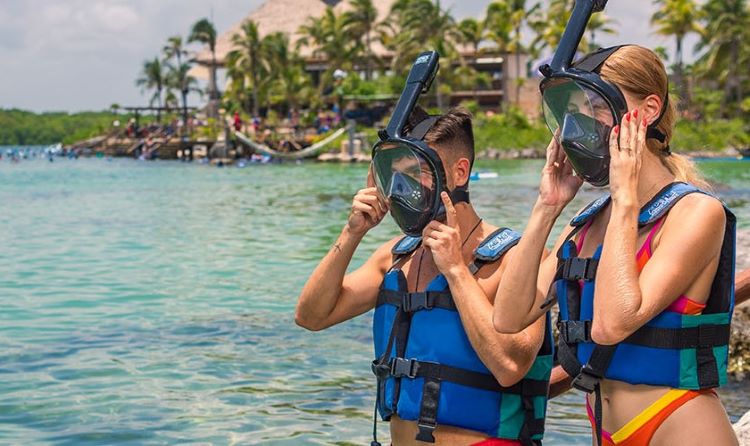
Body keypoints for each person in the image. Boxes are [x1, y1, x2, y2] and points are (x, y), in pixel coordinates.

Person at [491, 3, 738, 445]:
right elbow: (509, 317)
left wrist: (625, 198)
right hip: (606, 430)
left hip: (679, 425)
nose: (581, 129)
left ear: (647, 111)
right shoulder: (586, 226)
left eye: (596, 110)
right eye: (574, 114)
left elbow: (610, 324)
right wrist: (547, 207)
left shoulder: (696, 213)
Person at [296, 51, 552, 446]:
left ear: (459, 172)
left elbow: (509, 365)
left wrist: (455, 271)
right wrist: (352, 234)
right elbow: (311, 316)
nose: (403, 192)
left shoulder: (520, 258)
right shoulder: (396, 257)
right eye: (395, 178)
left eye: (415, 175)